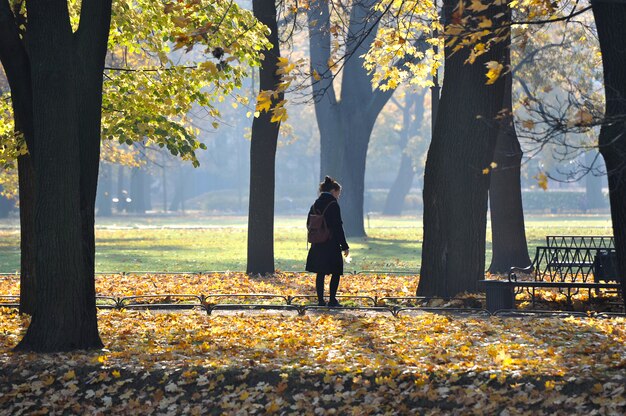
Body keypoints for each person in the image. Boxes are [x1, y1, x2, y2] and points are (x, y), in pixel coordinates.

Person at [306, 176, 350, 307]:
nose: (339, 195)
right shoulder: (333, 204)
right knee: (335, 272)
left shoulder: (315, 204)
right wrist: (344, 246)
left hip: (318, 243)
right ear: (333, 191)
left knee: (320, 272)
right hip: (331, 243)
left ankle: (320, 300)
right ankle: (332, 300)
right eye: (338, 193)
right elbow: (338, 226)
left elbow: (309, 222)